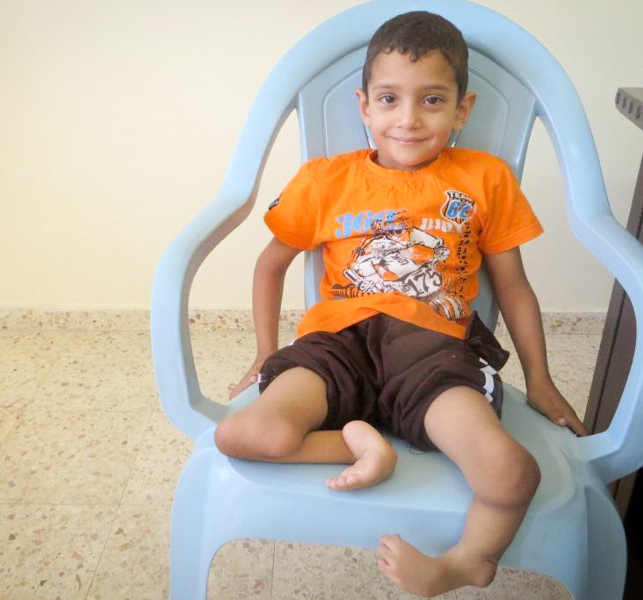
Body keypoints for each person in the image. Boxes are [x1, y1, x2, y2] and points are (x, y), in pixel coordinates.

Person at [214, 11, 588, 598]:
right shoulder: (324, 180)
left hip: (434, 351)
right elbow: (270, 264)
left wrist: (539, 378)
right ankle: (366, 441)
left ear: (462, 110)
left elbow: (513, 287)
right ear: (365, 105)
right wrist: (267, 351)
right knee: (243, 435)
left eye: (433, 100)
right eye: (389, 99)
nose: (408, 120)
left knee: (512, 473)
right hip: (338, 342)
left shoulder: (484, 179)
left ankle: (469, 562)